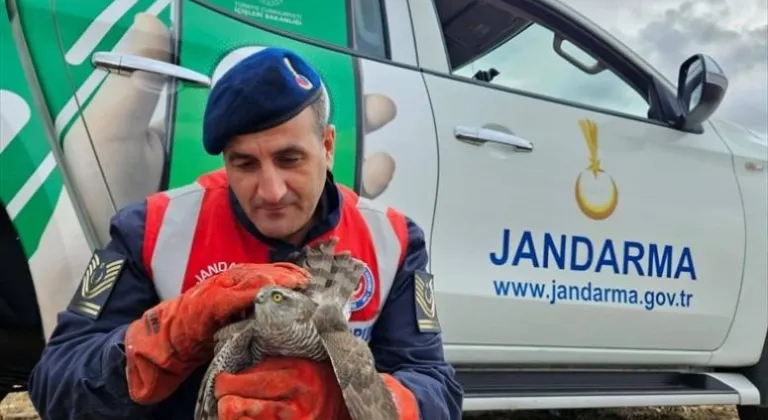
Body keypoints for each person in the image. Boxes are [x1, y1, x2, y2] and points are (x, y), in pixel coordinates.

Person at [27, 46, 464, 420]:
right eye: (245, 164)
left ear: (328, 147)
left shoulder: (392, 239)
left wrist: (351, 402)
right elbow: (54, 381)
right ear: (226, 162)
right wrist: (162, 337)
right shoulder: (151, 230)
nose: (271, 191)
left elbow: (436, 388)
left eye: (290, 159)